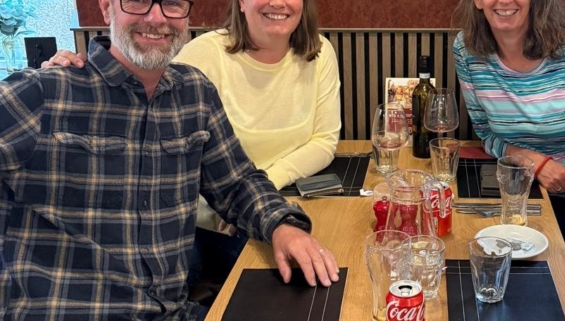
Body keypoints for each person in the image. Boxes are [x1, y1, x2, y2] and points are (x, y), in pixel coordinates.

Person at [0, 0, 339, 319]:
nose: (157, 18)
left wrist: (282, 225)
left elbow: (236, 184)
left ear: (187, 15)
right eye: (137, 1)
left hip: (171, 311)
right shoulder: (43, 93)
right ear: (106, 7)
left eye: (173, 3)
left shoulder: (194, 93)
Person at [451, 0, 565, 285]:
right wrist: (532, 161)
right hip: (533, 202)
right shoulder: (466, 51)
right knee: (487, 282)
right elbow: (487, 135)